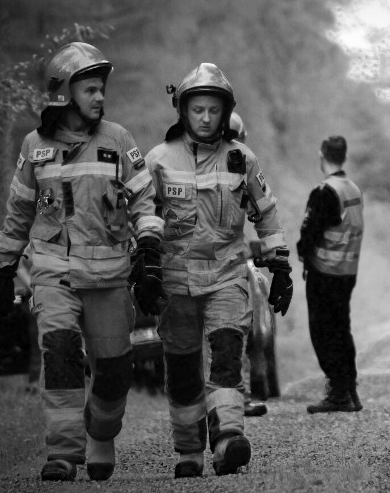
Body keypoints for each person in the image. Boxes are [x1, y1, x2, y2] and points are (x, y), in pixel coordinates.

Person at [0, 42, 164, 482]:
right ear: (64, 93)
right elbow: (19, 212)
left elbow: (145, 198)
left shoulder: (119, 140)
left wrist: (150, 249)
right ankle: (62, 453)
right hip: (54, 274)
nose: (100, 97)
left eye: (101, 89)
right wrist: (4, 269)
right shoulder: (35, 146)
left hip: (108, 276)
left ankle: (100, 433)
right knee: (61, 354)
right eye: (90, 89)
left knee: (115, 369)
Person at [145, 63, 292, 478]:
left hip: (227, 276)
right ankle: (189, 451)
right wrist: (144, 267)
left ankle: (228, 439)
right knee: (183, 368)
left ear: (225, 113)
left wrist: (280, 265)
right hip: (176, 281)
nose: (206, 118)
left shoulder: (241, 159)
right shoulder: (158, 159)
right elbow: (141, 217)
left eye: (213, 110)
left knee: (227, 356)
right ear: (183, 112)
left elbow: (266, 214)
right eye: (198, 110)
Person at [297, 136, 364, 414]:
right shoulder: (352, 188)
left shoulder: (325, 191)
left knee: (324, 332)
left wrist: (302, 253)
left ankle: (338, 393)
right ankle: (349, 389)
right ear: (344, 156)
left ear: (321, 154)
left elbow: (310, 232)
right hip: (347, 273)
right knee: (341, 330)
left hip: (324, 273)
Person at [230, 111, 270, 418]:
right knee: (235, 335)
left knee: (234, 335)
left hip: (232, 266)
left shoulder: (244, 170)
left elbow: (265, 212)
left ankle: (234, 403)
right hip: (224, 267)